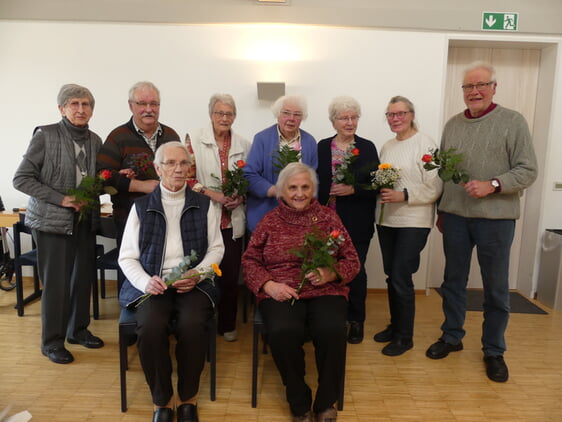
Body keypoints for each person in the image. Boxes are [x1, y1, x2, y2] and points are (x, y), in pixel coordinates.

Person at [426, 61, 538, 382]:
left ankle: (494, 350)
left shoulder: (513, 122)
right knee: (453, 282)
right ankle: (451, 336)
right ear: (462, 91)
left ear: (493, 88)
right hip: (456, 219)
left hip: (496, 220)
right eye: (468, 87)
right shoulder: (452, 124)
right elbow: (444, 172)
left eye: (481, 85)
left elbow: (528, 170)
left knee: (496, 288)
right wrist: (441, 211)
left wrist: (494, 184)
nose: (474, 91)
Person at [242, 163, 360, 422]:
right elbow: (250, 260)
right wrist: (268, 285)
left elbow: (352, 260)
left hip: (325, 290)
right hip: (282, 289)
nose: (299, 193)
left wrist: (330, 273)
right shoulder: (270, 221)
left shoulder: (328, 217)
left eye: (305, 187)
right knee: (284, 332)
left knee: (331, 329)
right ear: (282, 190)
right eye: (293, 187)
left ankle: (326, 401)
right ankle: (299, 400)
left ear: (313, 189)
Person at [118, 141, 224, 422]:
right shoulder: (141, 207)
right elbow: (127, 257)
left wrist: (198, 273)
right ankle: (161, 400)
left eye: (183, 164)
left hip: (193, 283)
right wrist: (144, 282)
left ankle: (188, 398)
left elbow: (216, 249)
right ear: (157, 168)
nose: (178, 169)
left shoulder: (204, 205)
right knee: (150, 328)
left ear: (190, 169)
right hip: (154, 283)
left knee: (192, 326)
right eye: (170, 163)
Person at [13, 84, 104, 364]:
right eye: (74, 104)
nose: (80, 109)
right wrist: (61, 199)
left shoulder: (96, 140)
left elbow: (93, 178)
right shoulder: (46, 135)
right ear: (61, 108)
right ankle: (51, 342)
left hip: (84, 222)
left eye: (86, 104)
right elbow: (22, 179)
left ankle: (78, 330)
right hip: (52, 223)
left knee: (82, 279)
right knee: (56, 284)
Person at [372, 96, 443, 356]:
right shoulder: (387, 146)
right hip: (387, 219)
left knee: (402, 275)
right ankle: (395, 326)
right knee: (393, 275)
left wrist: (404, 195)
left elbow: (436, 185)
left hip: (414, 221)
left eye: (400, 113)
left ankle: (405, 337)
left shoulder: (427, 145)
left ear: (411, 114)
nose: (395, 119)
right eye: (390, 115)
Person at [96, 81, 180, 289]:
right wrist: (138, 186)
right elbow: (100, 178)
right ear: (130, 105)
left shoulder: (171, 135)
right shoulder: (118, 137)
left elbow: (182, 171)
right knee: (133, 278)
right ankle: (132, 319)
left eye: (154, 103)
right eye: (142, 103)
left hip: (168, 221)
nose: (149, 109)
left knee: (166, 275)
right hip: (130, 221)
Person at [185, 93, 251, 342]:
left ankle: (227, 324)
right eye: (219, 113)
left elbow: (249, 179)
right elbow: (187, 179)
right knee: (202, 273)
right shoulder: (194, 139)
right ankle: (201, 323)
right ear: (211, 114)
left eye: (229, 114)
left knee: (231, 276)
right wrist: (213, 194)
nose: (224, 118)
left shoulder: (244, 143)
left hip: (232, 221)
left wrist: (240, 197)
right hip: (205, 218)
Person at [317, 96, 379, 344]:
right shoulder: (322, 146)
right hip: (325, 222)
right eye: (344, 118)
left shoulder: (367, 147)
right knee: (328, 268)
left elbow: (376, 184)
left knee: (355, 270)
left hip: (357, 221)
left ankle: (356, 320)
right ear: (333, 121)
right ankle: (333, 318)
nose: (350, 122)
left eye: (354, 117)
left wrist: (353, 190)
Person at [244, 95, 318, 233]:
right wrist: (274, 190)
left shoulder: (309, 142)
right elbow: (249, 174)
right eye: (286, 113)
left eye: (297, 114)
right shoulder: (262, 139)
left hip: (300, 218)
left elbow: (313, 179)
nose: (291, 118)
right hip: (265, 213)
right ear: (277, 115)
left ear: (302, 118)